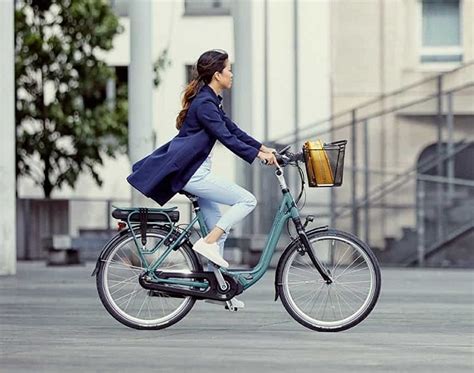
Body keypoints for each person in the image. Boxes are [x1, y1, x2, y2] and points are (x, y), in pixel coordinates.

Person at [127, 50, 277, 307]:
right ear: (217, 74)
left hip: (196, 170)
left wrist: (262, 148)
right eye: (229, 69)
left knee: (220, 227)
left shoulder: (210, 100)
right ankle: (206, 244)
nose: (232, 73)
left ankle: (218, 289)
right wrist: (256, 156)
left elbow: (233, 129)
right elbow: (226, 138)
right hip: (192, 173)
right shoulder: (205, 104)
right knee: (247, 200)